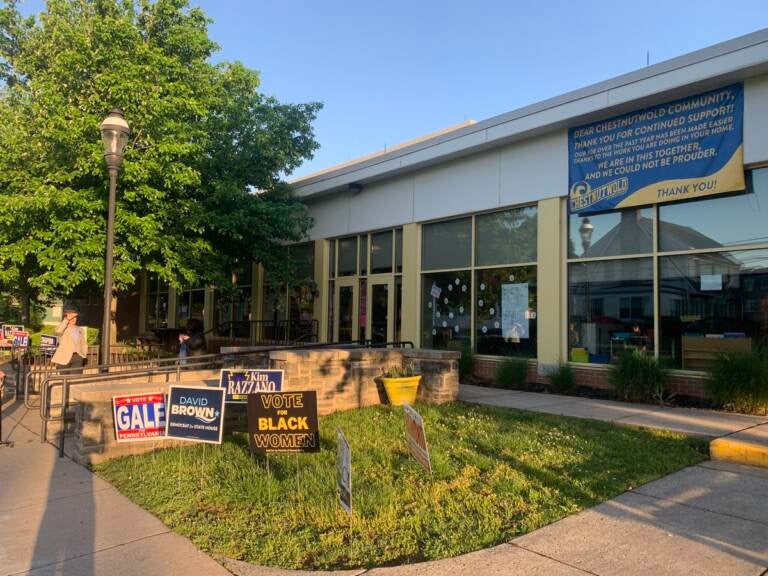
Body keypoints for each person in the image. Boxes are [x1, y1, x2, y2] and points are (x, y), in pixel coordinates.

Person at [51, 303, 88, 373]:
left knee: (75, 380)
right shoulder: (62, 328)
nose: (74, 319)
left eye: (75, 317)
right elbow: (58, 331)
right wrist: (67, 319)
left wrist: (83, 355)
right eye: (71, 317)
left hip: (78, 357)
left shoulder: (80, 329)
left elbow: (84, 343)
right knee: (63, 380)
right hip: (64, 357)